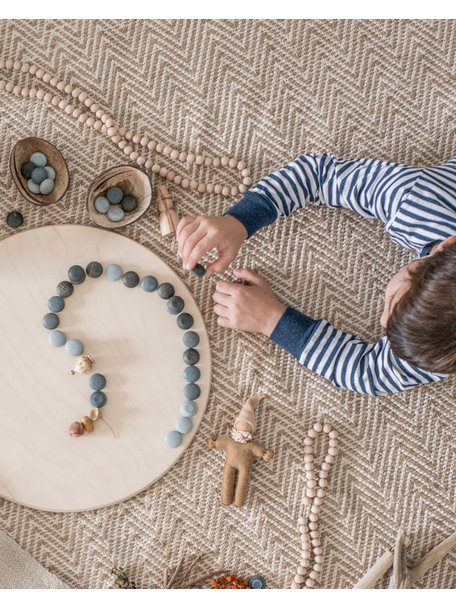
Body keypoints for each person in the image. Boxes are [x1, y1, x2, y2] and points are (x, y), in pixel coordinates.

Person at [176, 152, 456, 396]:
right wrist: (239, 220)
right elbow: (319, 175)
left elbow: (371, 373)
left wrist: (272, 320)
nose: (382, 321)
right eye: (393, 300)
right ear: (447, 244)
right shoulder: (419, 201)